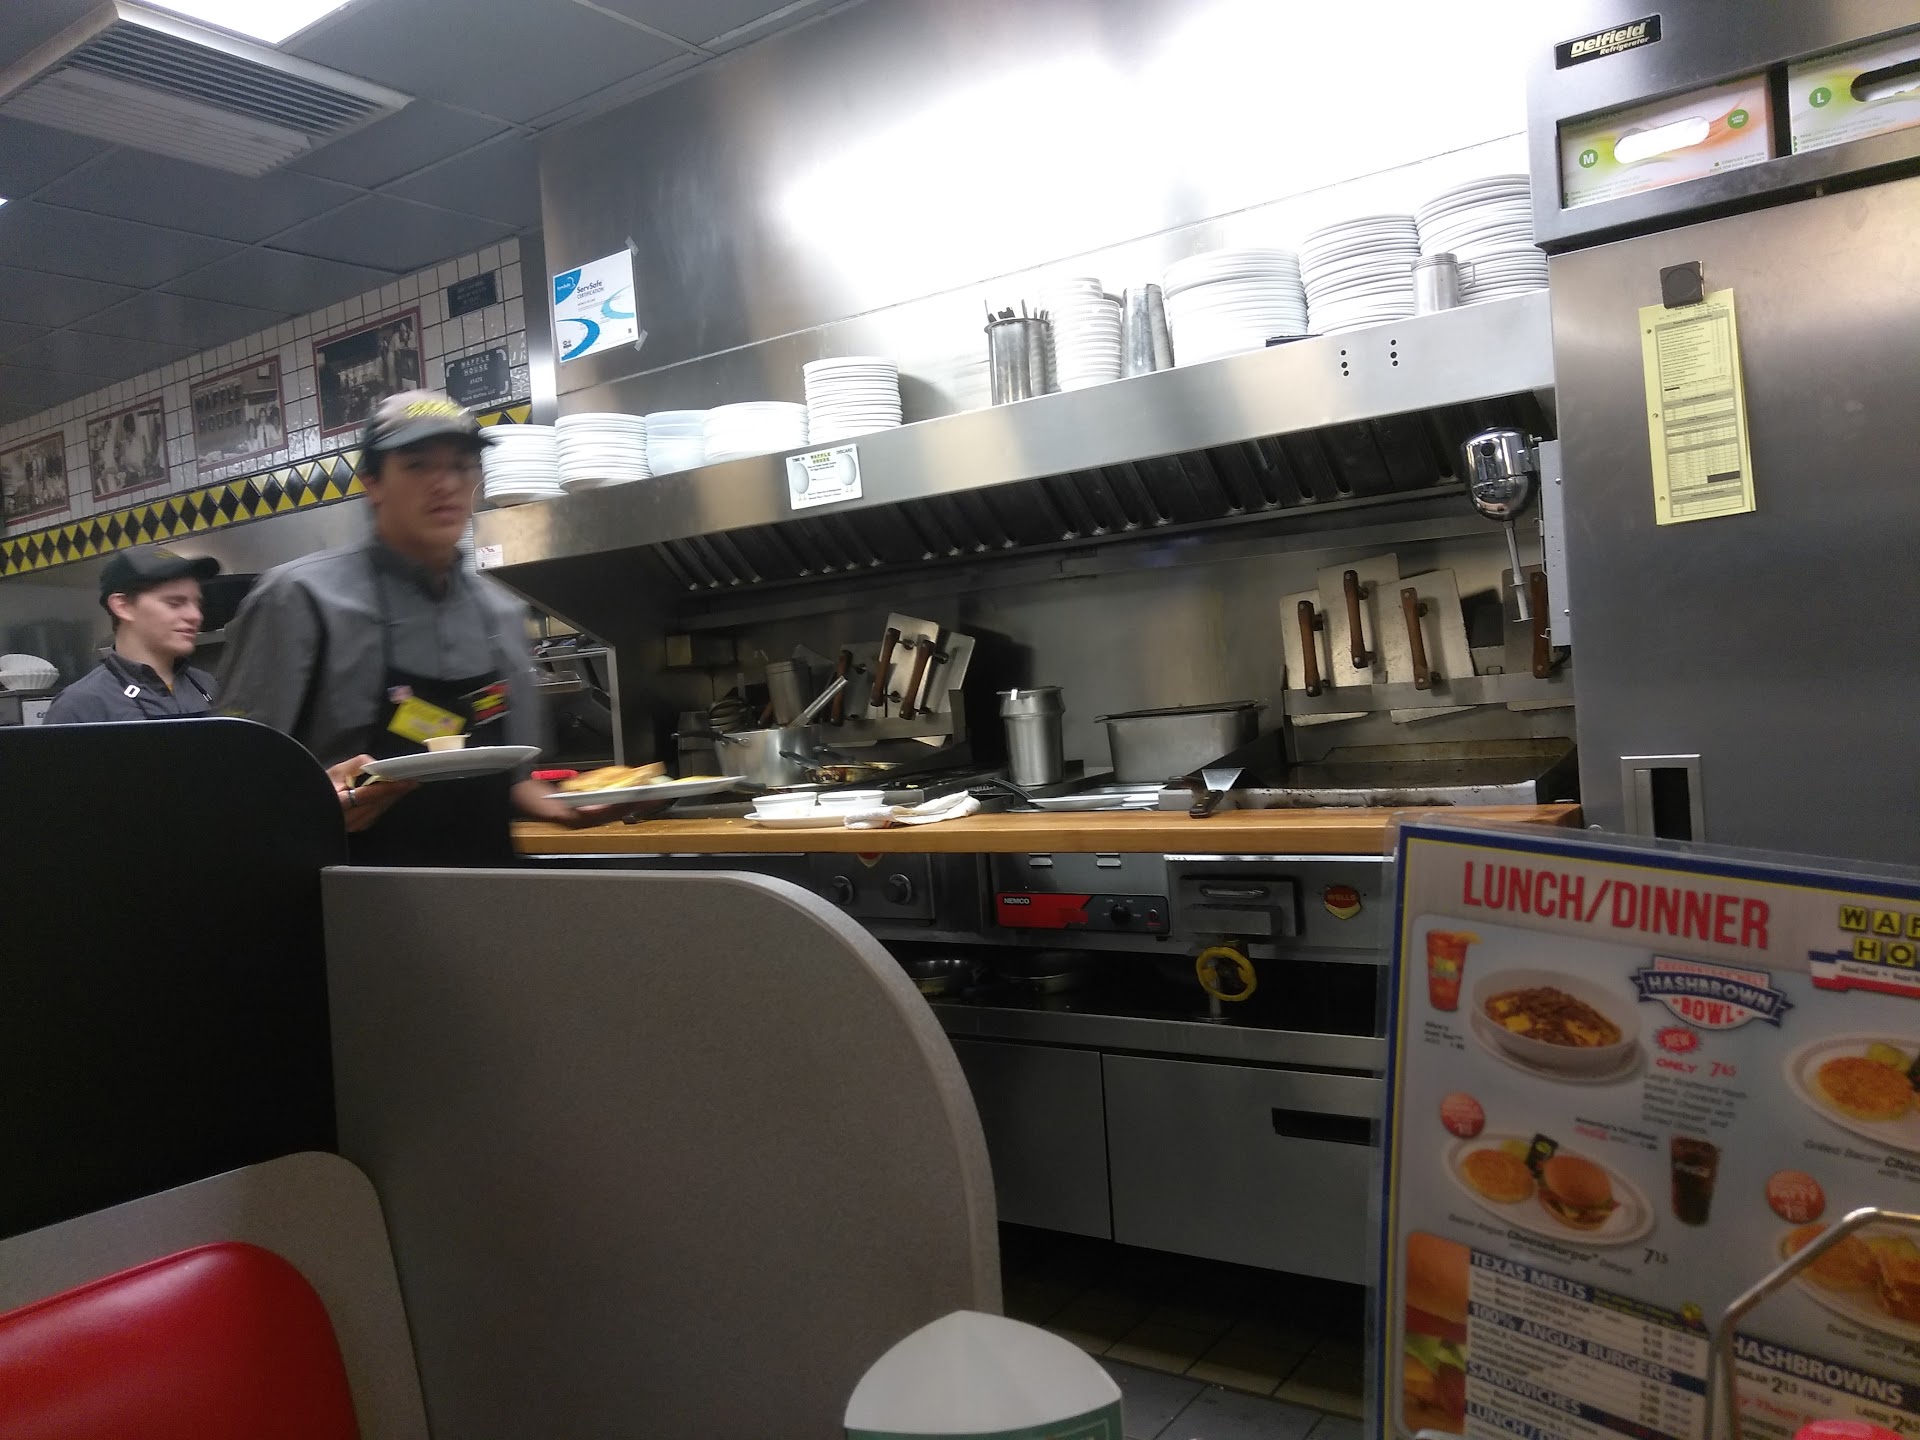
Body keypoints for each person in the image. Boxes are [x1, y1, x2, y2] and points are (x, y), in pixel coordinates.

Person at [217, 390, 588, 864]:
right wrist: (311, 806)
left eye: (461, 466)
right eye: (418, 465)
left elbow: (513, 781)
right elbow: (231, 780)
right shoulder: (300, 598)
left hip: (488, 887)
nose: (446, 484)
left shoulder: (500, 610)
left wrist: (574, 804)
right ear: (372, 482)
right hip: (345, 890)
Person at [43, 546, 220, 723]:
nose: (195, 615)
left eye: (197, 604)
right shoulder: (80, 706)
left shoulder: (208, 686)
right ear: (123, 607)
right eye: (174, 603)